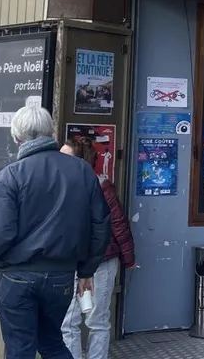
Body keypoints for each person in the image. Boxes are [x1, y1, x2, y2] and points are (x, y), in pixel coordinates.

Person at [0, 107, 111, 359]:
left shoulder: (8, 177)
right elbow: (100, 225)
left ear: (17, 138)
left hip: (17, 275)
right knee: (52, 343)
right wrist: (87, 270)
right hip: (61, 275)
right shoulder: (82, 171)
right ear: (50, 131)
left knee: (20, 348)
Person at [59, 138, 136, 359]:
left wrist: (129, 258)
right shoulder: (58, 186)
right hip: (69, 262)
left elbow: (118, 223)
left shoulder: (102, 187)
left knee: (97, 321)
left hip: (101, 262)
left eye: (65, 157)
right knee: (68, 322)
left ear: (81, 162)